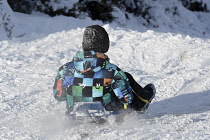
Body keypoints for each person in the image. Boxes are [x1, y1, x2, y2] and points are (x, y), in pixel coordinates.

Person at [53, 25, 156, 114]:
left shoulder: (65, 69)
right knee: (125, 77)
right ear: (105, 45)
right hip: (106, 114)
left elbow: (59, 96)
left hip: (75, 113)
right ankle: (144, 100)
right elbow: (126, 99)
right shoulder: (112, 71)